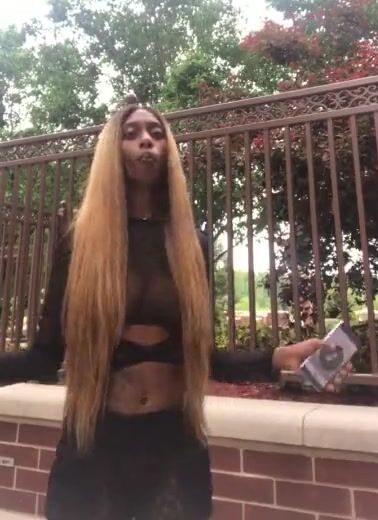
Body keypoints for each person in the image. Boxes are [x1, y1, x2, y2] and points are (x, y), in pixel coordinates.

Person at [0, 100, 349, 519]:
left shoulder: (190, 245)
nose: (146, 140)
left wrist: (281, 358)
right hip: (94, 445)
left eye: (156, 132)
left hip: (174, 447)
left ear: (167, 150)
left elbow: (205, 356)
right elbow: (44, 356)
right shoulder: (80, 244)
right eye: (131, 134)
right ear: (112, 151)